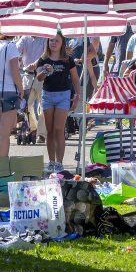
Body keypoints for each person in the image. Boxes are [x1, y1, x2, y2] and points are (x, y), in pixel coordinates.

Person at [35, 32, 80, 173]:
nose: (53, 43)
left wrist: (77, 95)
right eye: (51, 40)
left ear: (62, 43)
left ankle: (59, 163)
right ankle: (51, 161)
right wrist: (45, 71)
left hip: (63, 96)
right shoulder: (43, 59)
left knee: (59, 129)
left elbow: (75, 79)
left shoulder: (68, 60)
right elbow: (39, 78)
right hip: (47, 95)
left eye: (56, 41)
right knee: (50, 131)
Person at [15, 34, 48, 144]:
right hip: (28, 75)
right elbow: (16, 50)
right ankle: (33, 128)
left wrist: (36, 63)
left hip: (42, 75)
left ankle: (42, 134)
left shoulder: (44, 38)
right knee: (26, 105)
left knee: (42, 106)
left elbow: (46, 54)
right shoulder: (24, 38)